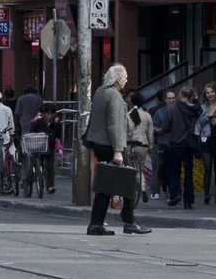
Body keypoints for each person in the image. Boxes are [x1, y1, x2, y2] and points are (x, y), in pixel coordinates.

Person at [81, 64, 152, 237]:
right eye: (125, 77)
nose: (127, 80)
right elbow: (115, 125)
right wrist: (119, 150)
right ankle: (128, 221)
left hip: (99, 143)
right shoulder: (114, 96)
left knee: (106, 186)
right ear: (119, 79)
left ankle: (98, 224)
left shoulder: (100, 92)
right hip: (111, 145)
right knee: (127, 180)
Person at [153, 87, 193, 207]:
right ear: (165, 100)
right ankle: (184, 198)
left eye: (173, 98)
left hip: (176, 144)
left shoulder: (176, 110)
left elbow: (164, 128)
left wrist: (158, 130)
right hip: (171, 144)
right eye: (169, 98)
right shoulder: (161, 113)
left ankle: (178, 196)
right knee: (179, 172)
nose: (171, 100)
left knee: (176, 172)